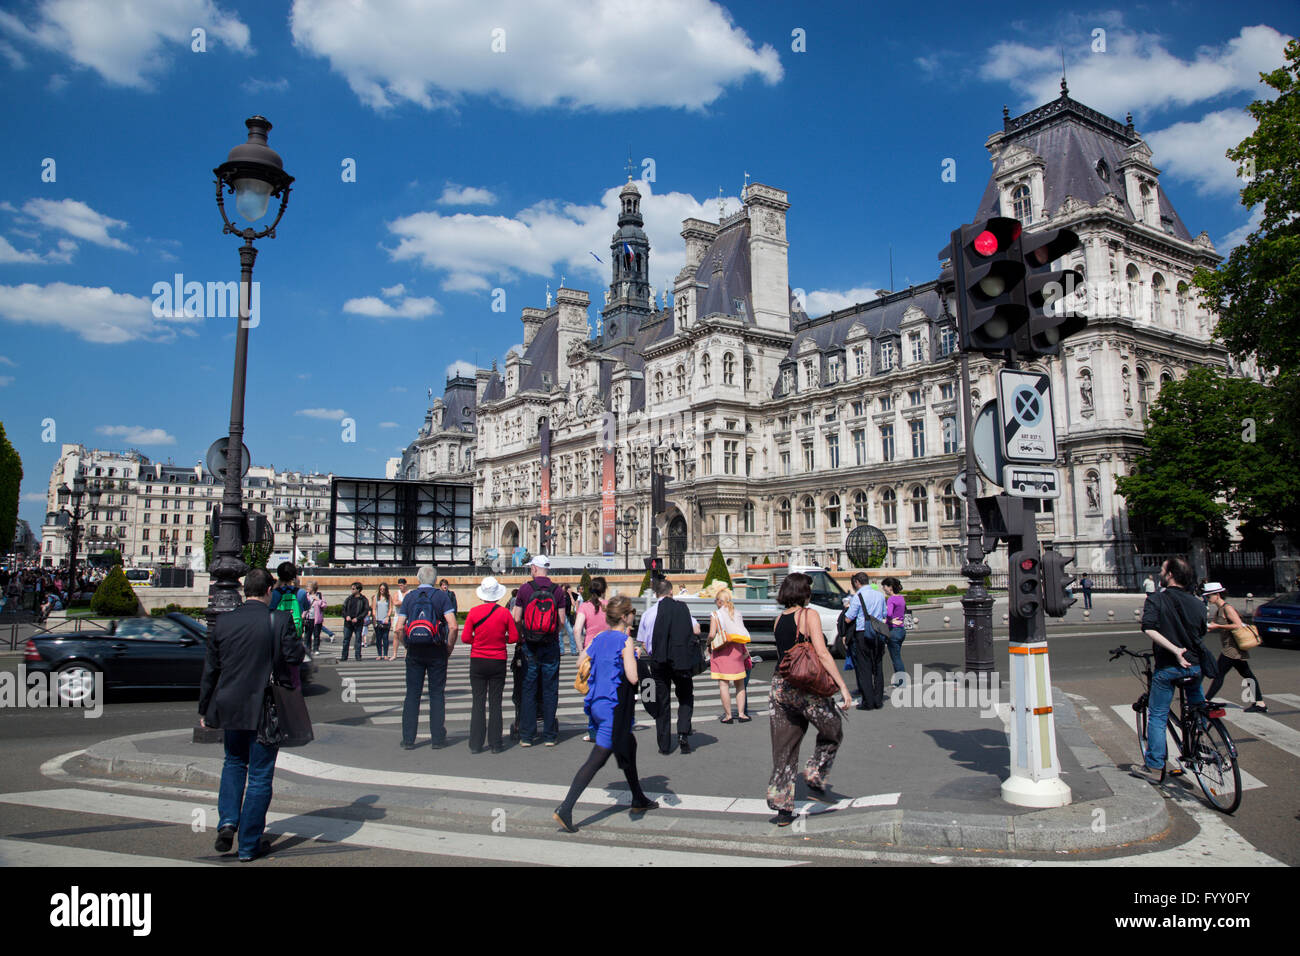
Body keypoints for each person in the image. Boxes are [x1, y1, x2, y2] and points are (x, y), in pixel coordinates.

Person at [198, 567, 304, 861]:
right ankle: (248, 843)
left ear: (245, 591)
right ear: (269, 591)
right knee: (259, 775)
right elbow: (295, 657)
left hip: (230, 705)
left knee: (233, 763)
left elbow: (211, 670)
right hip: (265, 707)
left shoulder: (224, 622)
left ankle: (228, 821)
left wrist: (205, 709)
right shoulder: (278, 619)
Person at [553, 595, 659, 832]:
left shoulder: (600, 637)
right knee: (596, 759)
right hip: (614, 707)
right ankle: (566, 808)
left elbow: (582, 659)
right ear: (624, 617)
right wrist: (634, 659)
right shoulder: (625, 640)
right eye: (631, 611)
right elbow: (633, 677)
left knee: (628, 746)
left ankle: (637, 797)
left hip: (598, 704)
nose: (633, 614)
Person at [767, 572, 852, 826]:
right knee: (833, 728)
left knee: (784, 748)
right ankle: (815, 772)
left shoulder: (777, 619)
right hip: (804, 689)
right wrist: (842, 687)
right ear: (804, 593)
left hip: (779, 688)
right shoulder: (809, 615)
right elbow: (823, 653)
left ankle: (783, 809)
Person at [1132, 556, 1210, 783]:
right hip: (1194, 665)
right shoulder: (1197, 602)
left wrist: (1176, 650)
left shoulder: (1157, 599)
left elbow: (1148, 628)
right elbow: (1201, 631)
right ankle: (1199, 737)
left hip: (1169, 667)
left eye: (1163, 570)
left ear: (1171, 576)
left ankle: (1155, 766)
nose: (1160, 574)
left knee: (1157, 715)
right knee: (1198, 707)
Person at [394, 566, 458, 749]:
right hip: (437, 650)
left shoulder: (410, 597)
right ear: (436, 580)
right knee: (437, 694)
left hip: (414, 651)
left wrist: (407, 645)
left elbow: (399, 628)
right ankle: (437, 739)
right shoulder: (441, 596)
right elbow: (453, 626)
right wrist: (449, 648)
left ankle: (408, 739)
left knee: (412, 695)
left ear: (417, 578)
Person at [512, 555, 568, 747]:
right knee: (550, 689)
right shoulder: (558, 591)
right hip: (550, 645)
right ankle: (550, 736)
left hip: (530, 645)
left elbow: (517, 618)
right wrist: (552, 634)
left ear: (535, 568)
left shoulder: (525, 589)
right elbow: (561, 621)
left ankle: (527, 736)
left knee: (528, 689)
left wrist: (523, 635)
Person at [461, 576, 519, 753]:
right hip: (497, 660)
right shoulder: (504, 613)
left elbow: (464, 638)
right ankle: (496, 743)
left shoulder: (473, 612)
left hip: (478, 660)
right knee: (496, 702)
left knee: (478, 702)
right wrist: (503, 639)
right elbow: (515, 637)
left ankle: (476, 744)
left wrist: (477, 641)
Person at [649, 576, 701, 755]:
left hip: (658, 661)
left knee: (662, 701)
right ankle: (683, 734)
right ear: (671, 591)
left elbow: (643, 640)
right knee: (685, 695)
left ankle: (664, 744)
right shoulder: (682, 608)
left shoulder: (650, 612)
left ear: (656, 594)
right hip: (680, 660)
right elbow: (696, 629)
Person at [1202, 583, 1267, 713]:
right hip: (1231, 647)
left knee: (1219, 674)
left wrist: (1218, 627)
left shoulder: (1227, 608)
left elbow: (1237, 625)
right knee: (1247, 674)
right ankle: (1260, 703)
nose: (1208, 599)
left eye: (1209, 596)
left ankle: (1206, 700)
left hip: (1232, 648)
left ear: (1217, 594)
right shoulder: (1219, 609)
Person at [844, 572, 888, 709]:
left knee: (865, 668)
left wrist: (847, 608)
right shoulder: (880, 595)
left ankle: (868, 702)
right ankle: (878, 700)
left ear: (857, 582)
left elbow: (848, 618)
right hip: (878, 633)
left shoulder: (858, 596)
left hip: (863, 633)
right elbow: (884, 614)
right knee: (878, 667)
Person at [708, 587, 750, 723]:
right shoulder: (737, 613)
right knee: (740, 684)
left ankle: (728, 715)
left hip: (722, 651)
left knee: (723, 684)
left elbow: (712, 634)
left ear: (720, 602)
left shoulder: (715, 614)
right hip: (737, 650)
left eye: (716, 600)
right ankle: (742, 714)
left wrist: (708, 643)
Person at [881, 576, 907, 686]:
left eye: (885, 587)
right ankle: (900, 680)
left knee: (896, 658)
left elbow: (889, 614)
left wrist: (887, 619)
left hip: (893, 631)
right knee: (897, 656)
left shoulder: (891, 599)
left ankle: (901, 681)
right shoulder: (901, 598)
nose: (884, 589)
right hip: (901, 629)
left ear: (890, 587)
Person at [573, 576, 609, 652]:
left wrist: (581, 651)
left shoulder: (584, 606)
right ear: (604, 590)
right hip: (608, 647)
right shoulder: (610, 606)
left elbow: (577, 630)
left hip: (590, 648)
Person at [340, 581, 369, 663]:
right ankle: (344, 656)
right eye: (351, 588)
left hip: (358, 623)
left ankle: (358, 656)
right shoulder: (349, 599)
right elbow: (343, 609)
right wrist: (346, 616)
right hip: (348, 623)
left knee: (358, 640)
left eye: (353, 589)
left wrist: (358, 618)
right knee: (346, 640)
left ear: (358, 589)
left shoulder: (363, 599)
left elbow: (365, 611)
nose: (352, 590)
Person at [372, 582, 394, 661]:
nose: (382, 590)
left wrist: (387, 617)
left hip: (385, 620)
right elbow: (374, 609)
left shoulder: (388, 597)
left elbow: (390, 608)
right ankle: (379, 654)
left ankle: (385, 654)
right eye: (381, 589)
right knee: (378, 638)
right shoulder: (376, 597)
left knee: (385, 637)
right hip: (378, 620)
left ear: (386, 590)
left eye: (383, 589)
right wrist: (374, 620)